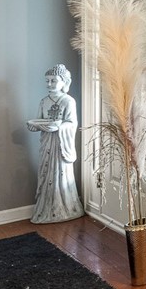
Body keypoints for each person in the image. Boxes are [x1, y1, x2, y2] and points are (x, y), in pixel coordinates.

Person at [26, 64, 84, 223]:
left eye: (53, 80)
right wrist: (33, 125)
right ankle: (46, 208)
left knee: (60, 172)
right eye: (47, 81)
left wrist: (59, 126)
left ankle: (65, 208)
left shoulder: (68, 101)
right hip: (47, 143)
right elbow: (39, 120)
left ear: (64, 82)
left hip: (60, 143)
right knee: (45, 173)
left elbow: (72, 123)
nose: (49, 84)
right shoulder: (44, 101)